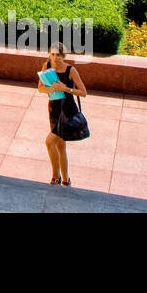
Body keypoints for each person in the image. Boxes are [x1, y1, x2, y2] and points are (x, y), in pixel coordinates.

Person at [36, 42, 87, 186]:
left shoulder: (71, 70)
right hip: (54, 109)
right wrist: (50, 89)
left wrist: (65, 89)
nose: (55, 58)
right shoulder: (47, 67)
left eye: (58, 55)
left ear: (63, 56)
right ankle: (66, 180)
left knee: (49, 142)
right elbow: (40, 88)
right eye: (52, 54)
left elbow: (83, 93)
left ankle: (55, 177)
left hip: (68, 110)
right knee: (60, 146)